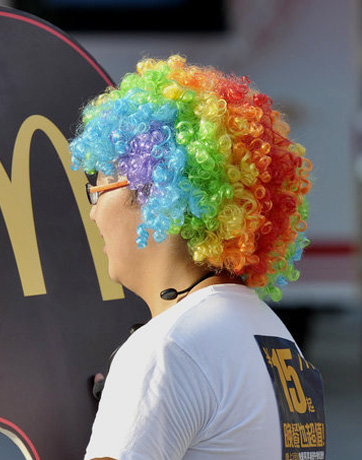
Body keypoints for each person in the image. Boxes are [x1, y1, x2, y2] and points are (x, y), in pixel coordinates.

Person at [69, 56, 325, 460]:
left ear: (155, 192)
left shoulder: (167, 350)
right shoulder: (276, 339)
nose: (93, 211)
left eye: (99, 188)